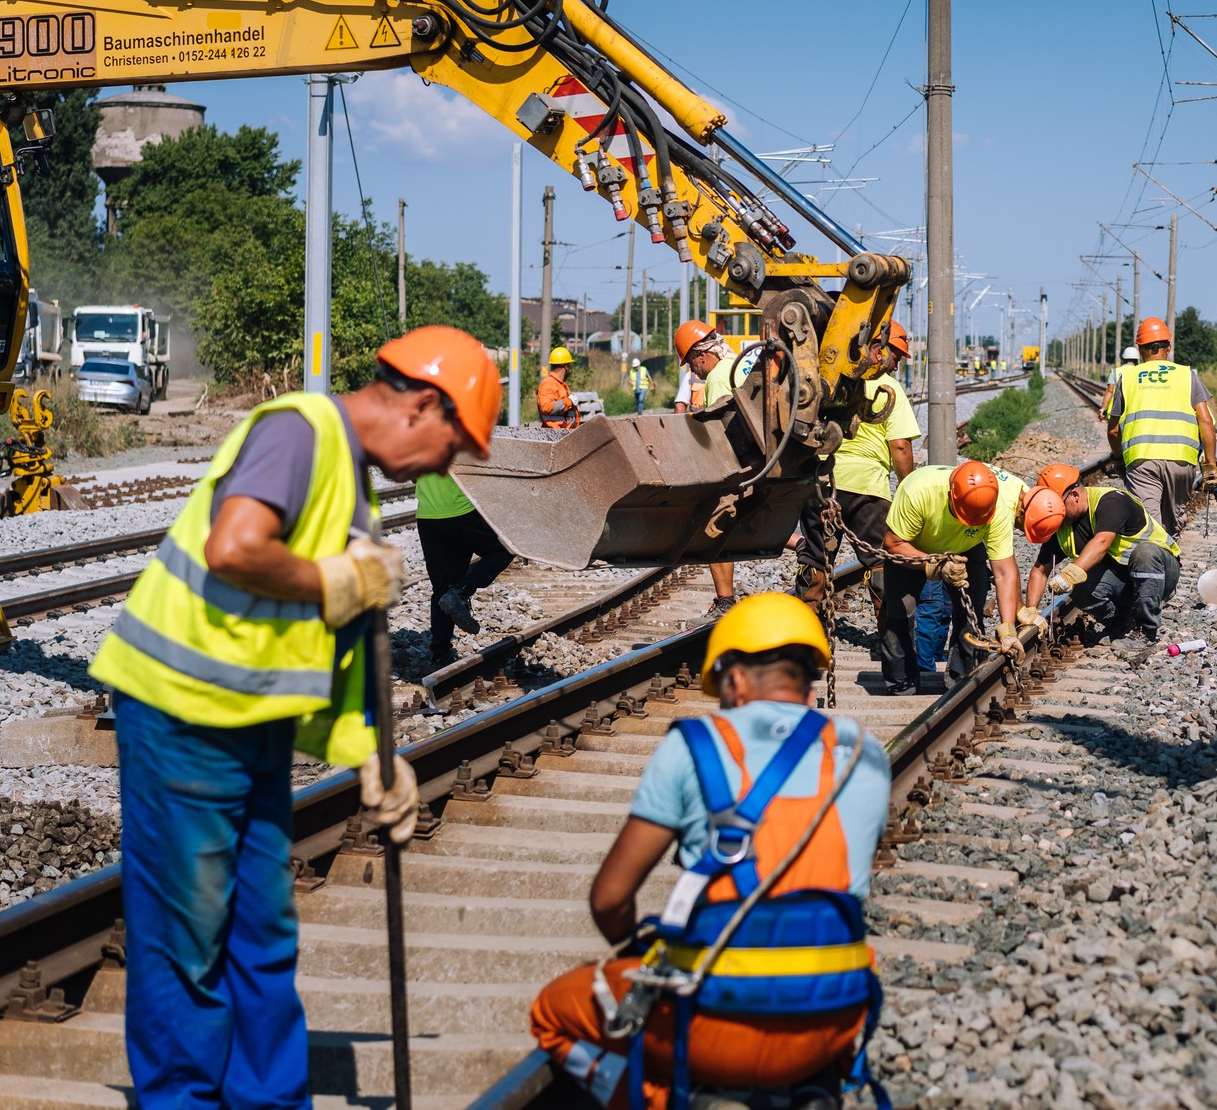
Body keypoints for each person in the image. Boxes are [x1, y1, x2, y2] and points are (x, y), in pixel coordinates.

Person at [88, 326, 500, 1109]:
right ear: (421, 404)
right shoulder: (298, 431)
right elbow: (234, 546)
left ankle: (272, 1101)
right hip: (184, 713)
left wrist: (373, 756)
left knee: (261, 939)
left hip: (252, 726)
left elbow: (329, 653)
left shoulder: (351, 482)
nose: (448, 467)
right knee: (187, 943)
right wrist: (335, 578)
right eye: (454, 445)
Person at [529, 594, 891, 1110]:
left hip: (711, 1021)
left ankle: (676, 1098)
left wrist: (633, 950)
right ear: (810, 677)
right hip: (829, 1018)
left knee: (552, 1010)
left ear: (735, 680)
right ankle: (811, 1086)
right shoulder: (863, 750)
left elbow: (610, 899)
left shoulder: (693, 744)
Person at [795, 321, 920, 620]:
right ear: (879, 347)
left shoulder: (829, 378)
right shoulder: (889, 388)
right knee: (880, 559)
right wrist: (907, 491)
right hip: (868, 488)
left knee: (814, 558)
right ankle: (891, 636)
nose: (897, 363)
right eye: (896, 355)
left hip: (821, 482)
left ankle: (808, 636)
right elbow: (900, 446)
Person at [875, 460, 1025, 694]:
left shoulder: (998, 509)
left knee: (971, 612)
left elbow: (1005, 570)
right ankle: (901, 682)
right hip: (914, 545)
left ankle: (962, 680)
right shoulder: (918, 491)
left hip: (968, 546)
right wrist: (934, 565)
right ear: (950, 496)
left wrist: (1007, 628)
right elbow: (893, 543)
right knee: (900, 614)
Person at [1020, 481, 1181, 654]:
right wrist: (1031, 611)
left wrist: (1070, 574)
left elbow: (1102, 541)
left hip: (1161, 574)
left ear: (1074, 495)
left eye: (1061, 506)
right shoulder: (1062, 525)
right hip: (1126, 583)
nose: (1060, 515)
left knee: (1145, 552)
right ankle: (1121, 624)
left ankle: (1145, 631)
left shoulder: (1110, 501)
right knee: (1080, 587)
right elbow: (1040, 570)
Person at [1105, 317, 1217, 535]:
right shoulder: (1188, 376)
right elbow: (1206, 422)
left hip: (1142, 462)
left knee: (1148, 528)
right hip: (1181, 462)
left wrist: (1119, 458)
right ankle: (1170, 563)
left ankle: (1155, 564)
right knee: (1172, 525)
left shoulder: (1127, 379)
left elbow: (1113, 430)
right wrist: (1210, 466)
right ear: (1169, 346)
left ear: (1140, 349)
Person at [674, 321, 740, 618]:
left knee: (713, 524)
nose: (693, 372)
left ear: (702, 356)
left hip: (739, 465)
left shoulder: (716, 377)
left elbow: (717, 435)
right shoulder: (740, 362)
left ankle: (725, 600)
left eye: (691, 364)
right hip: (763, 459)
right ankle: (802, 544)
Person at [415, 470, 516, 663]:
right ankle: (462, 590)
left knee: (442, 588)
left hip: (428, 516)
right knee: (505, 550)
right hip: (461, 509)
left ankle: (441, 654)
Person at [539, 345, 580, 429]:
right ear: (566, 366)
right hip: (554, 435)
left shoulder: (561, 385)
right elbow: (546, 407)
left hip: (564, 433)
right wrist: (569, 402)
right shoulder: (548, 383)